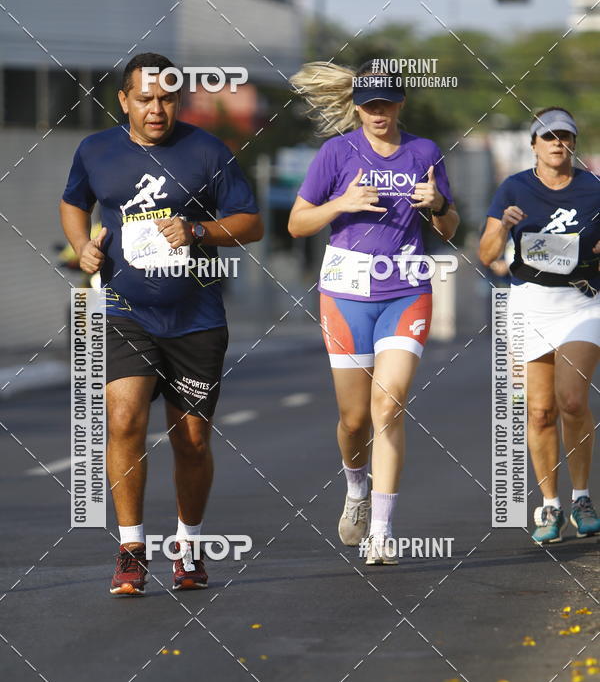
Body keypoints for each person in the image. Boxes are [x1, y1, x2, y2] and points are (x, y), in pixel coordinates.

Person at [60, 52, 263, 595]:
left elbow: (252, 222)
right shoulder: (95, 150)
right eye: (145, 98)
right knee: (124, 419)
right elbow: (72, 203)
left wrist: (197, 232)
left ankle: (189, 545)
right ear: (123, 100)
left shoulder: (206, 150)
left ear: (179, 100)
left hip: (196, 318)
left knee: (191, 439)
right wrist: (82, 248)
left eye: (167, 98)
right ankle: (130, 548)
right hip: (125, 310)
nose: (156, 109)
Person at [288, 60, 459, 564]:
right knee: (354, 417)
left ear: (400, 103)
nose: (378, 113)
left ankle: (382, 531)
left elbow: (449, 228)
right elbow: (298, 223)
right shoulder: (335, 153)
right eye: (370, 106)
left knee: (389, 407)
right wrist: (340, 204)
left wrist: (437, 204)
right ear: (358, 108)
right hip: (345, 294)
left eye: (387, 104)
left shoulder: (424, 151)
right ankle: (356, 488)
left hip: (406, 289)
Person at [480, 106, 600, 543]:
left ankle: (582, 497)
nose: (557, 143)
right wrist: (505, 226)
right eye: (548, 137)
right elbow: (486, 253)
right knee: (540, 410)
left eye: (564, 136)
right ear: (533, 145)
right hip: (529, 302)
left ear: (574, 142)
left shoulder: (594, 189)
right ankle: (550, 503)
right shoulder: (513, 188)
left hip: (582, 301)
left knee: (571, 400)